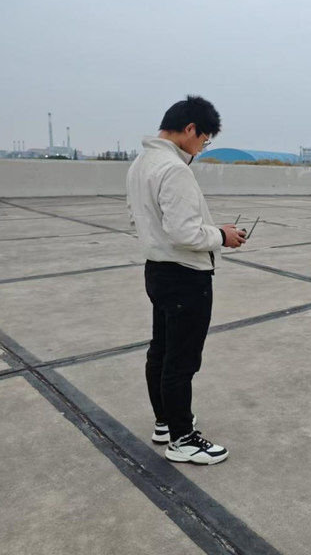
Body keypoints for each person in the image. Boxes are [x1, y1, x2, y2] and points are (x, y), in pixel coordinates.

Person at [126, 95, 245, 465]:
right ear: (190, 129)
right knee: (182, 361)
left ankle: (165, 422)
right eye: (204, 140)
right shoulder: (175, 169)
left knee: (161, 351)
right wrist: (222, 235)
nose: (202, 148)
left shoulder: (141, 164)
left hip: (157, 270)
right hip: (185, 275)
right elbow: (184, 233)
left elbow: (141, 219)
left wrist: (207, 230)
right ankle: (183, 440)